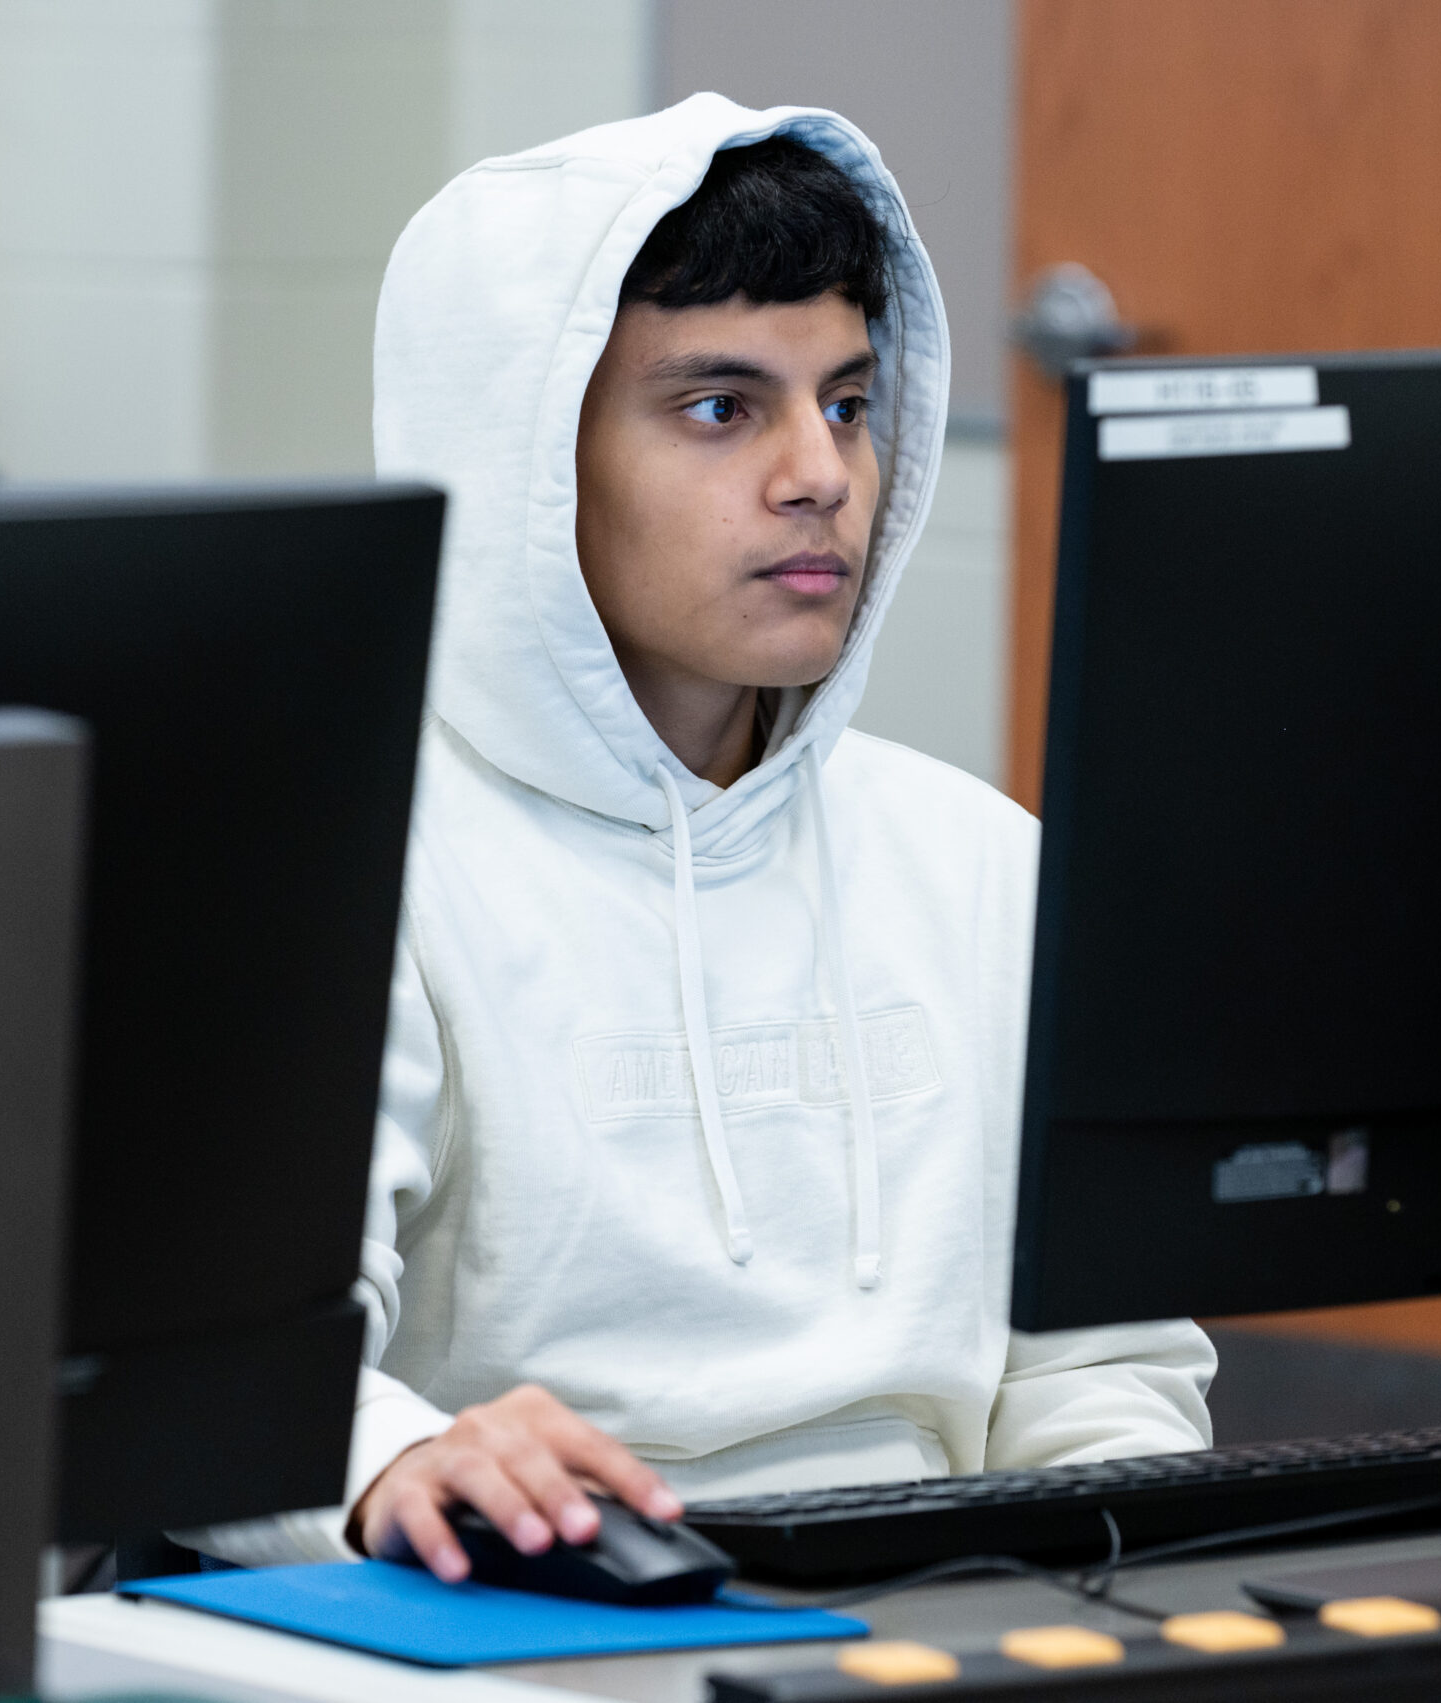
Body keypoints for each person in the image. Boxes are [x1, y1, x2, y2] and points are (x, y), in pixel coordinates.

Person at [349, 95, 1213, 1583]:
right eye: (721, 407)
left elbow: (1104, 1379)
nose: (820, 471)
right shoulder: (358, 871)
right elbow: (238, 1396)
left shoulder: (980, 864)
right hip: (518, 1617)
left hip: (957, 1624)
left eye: (851, 402)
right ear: (530, 467)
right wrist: (400, 1462)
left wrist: (1107, 1610)